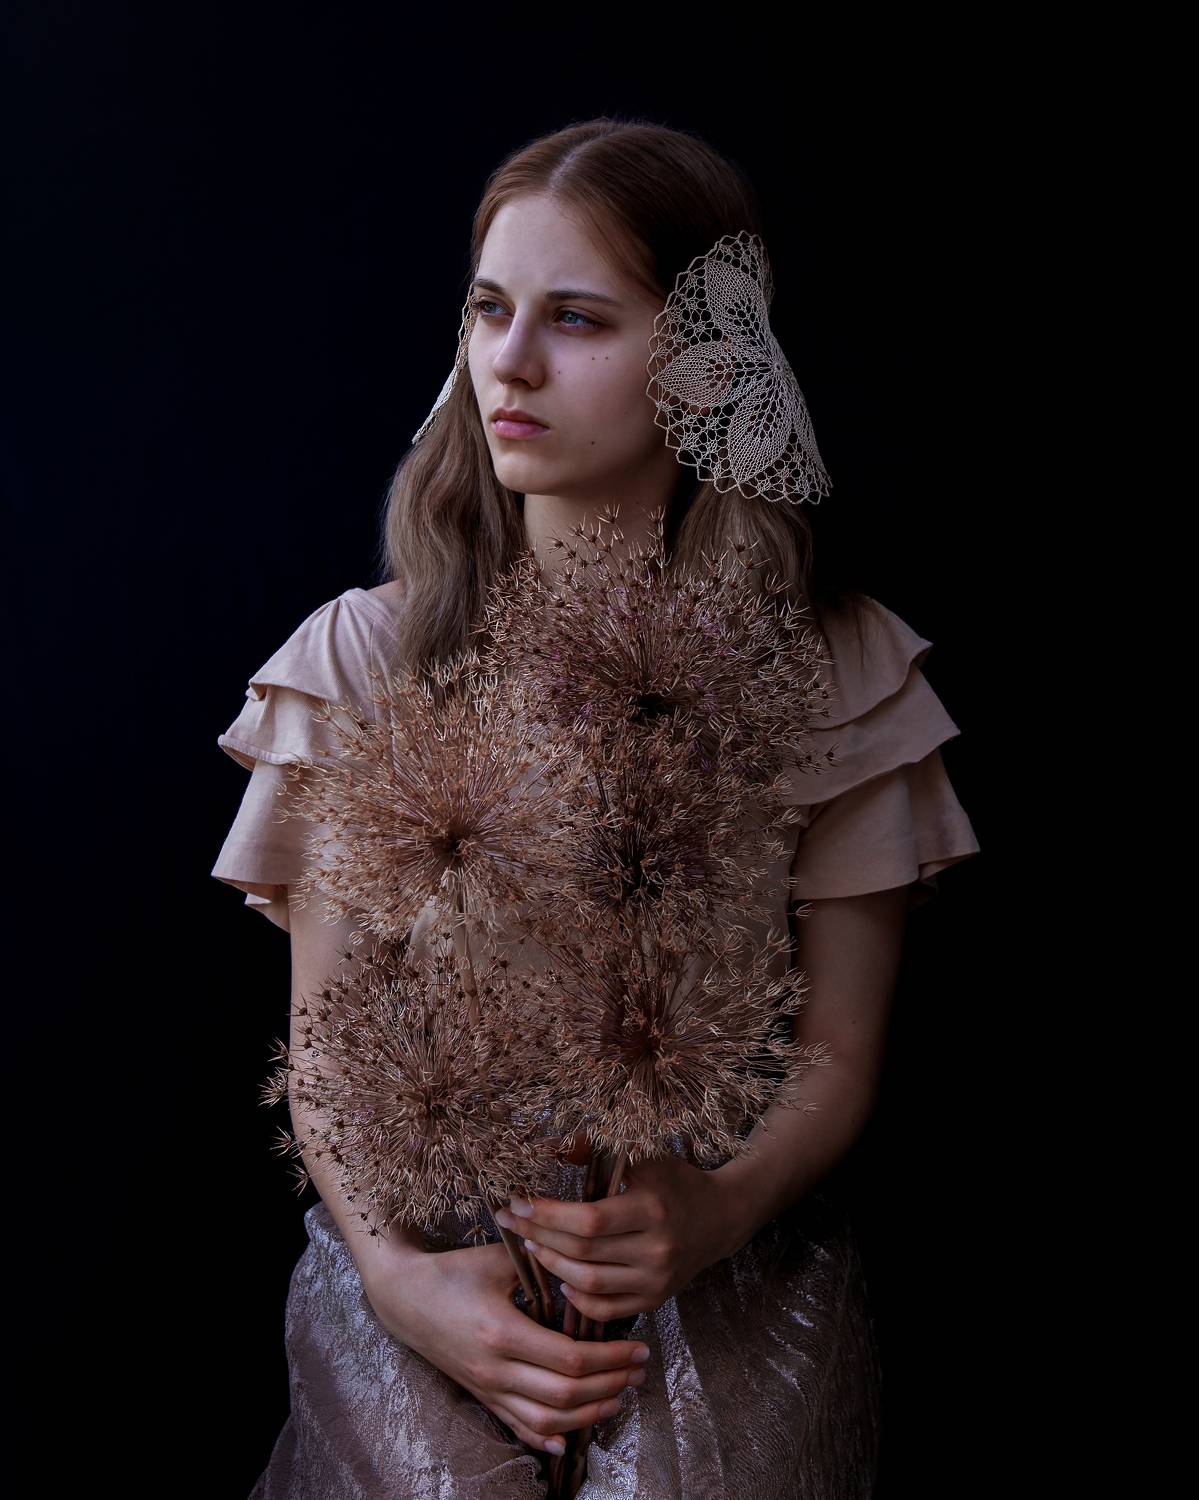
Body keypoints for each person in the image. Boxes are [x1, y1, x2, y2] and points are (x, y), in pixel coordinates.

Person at [211, 118, 981, 1499]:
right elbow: (323, 1044)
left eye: (576, 318)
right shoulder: (363, 661)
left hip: (719, 1254)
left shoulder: (834, 669)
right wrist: (396, 1281)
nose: (508, 362)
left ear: (707, 359)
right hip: (434, 1251)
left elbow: (840, 1046)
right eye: (489, 309)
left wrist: (717, 1210)